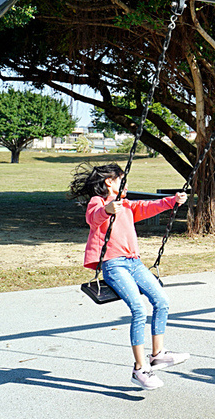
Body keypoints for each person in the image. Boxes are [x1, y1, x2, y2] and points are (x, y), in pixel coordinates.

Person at [70, 163, 189, 391]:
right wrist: (107, 210)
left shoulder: (125, 205)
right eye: (121, 179)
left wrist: (172, 201)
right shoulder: (100, 202)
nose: (126, 183)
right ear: (109, 182)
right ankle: (140, 368)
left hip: (134, 262)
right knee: (138, 309)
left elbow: (146, 207)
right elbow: (93, 218)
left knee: (162, 301)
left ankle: (158, 354)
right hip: (114, 265)